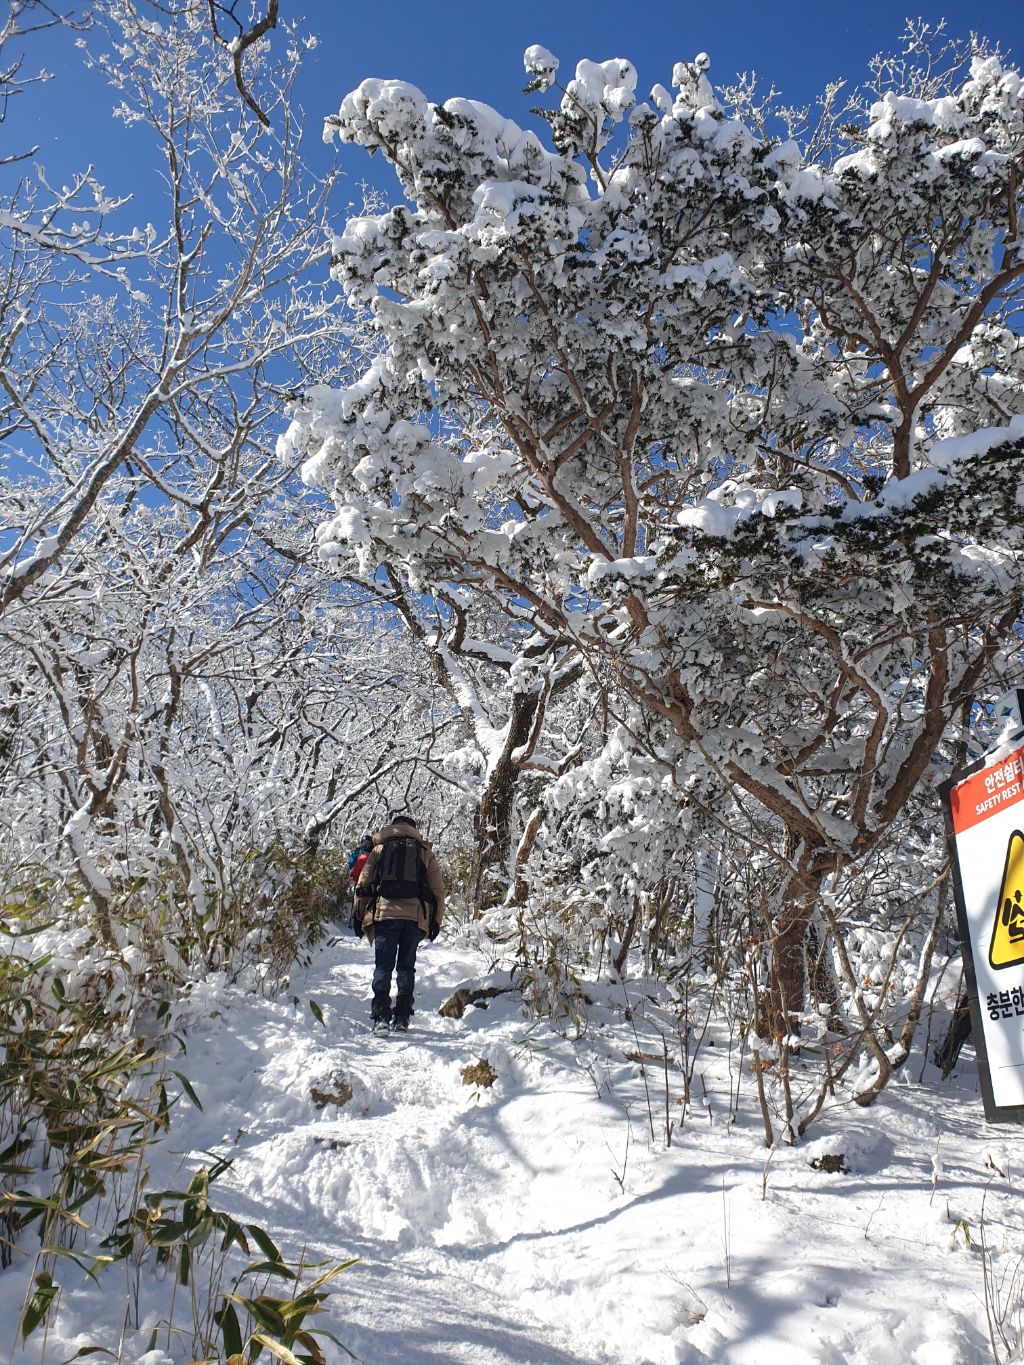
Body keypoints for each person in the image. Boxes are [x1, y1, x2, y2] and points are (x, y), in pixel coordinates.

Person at [354, 812, 445, 1030]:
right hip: (414, 918)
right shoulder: (424, 852)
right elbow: (438, 891)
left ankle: (381, 1016)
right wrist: (436, 921)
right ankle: (402, 1017)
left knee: (383, 966)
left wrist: (358, 914)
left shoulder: (379, 849)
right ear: (414, 829)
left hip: (385, 915)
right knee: (406, 968)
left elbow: (362, 884)